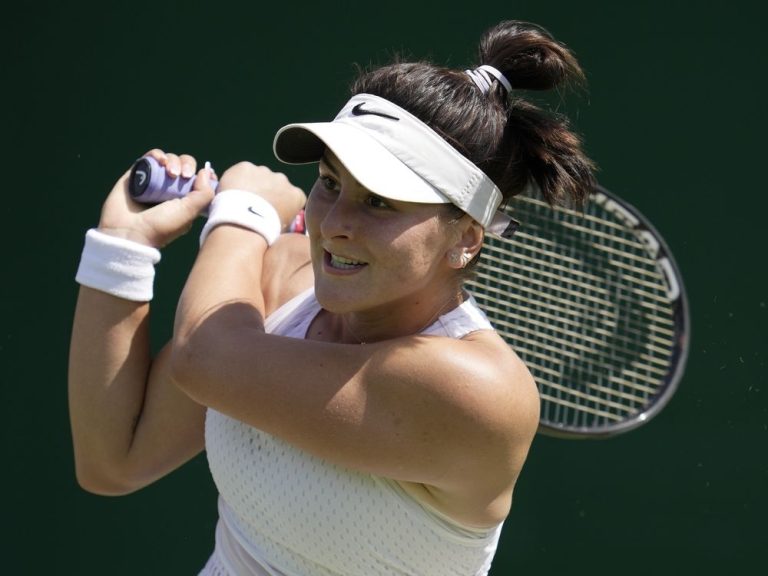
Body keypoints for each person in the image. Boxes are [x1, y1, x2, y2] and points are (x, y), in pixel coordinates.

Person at [68, 20, 596, 576]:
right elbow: (113, 462)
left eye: (380, 203)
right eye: (329, 183)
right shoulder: (278, 279)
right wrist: (122, 247)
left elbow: (205, 356)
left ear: (465, 239)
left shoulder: (476, 391)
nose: (336, 224)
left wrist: (242, 215)